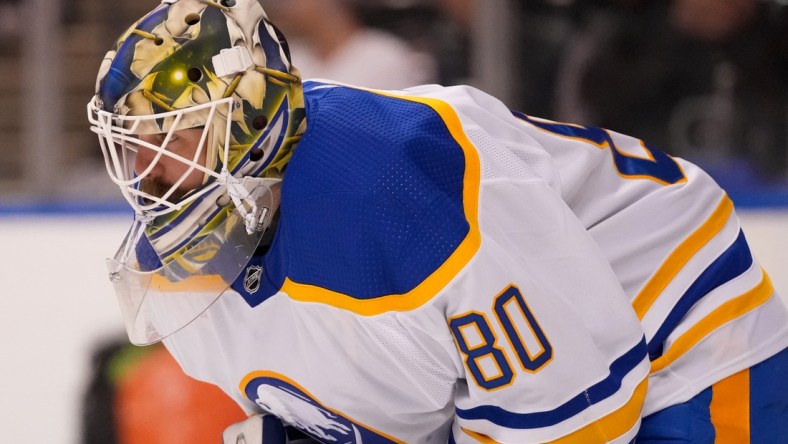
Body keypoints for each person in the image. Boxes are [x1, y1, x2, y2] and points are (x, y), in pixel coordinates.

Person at [85, 0, 788, 442]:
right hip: (551, 369)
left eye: (176, 140)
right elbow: (396, 407)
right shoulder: (181, 275)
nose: (153, 180)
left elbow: (580, 418)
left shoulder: (398, 184)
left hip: (680, 331)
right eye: (135, 149)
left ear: (248, 116)